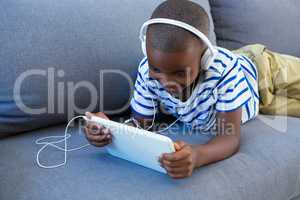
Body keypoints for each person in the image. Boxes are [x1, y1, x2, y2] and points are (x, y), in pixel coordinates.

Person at [84, 0, 300, 179]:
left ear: (205, 59)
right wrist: (111, 130)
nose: (166, 82)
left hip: (264, 69)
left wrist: (197, 155)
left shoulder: (223, 71)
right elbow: (141, 125)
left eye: (179, 73)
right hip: (260, 104)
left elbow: (229, 138)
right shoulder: (147, 73)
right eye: (156, 69)